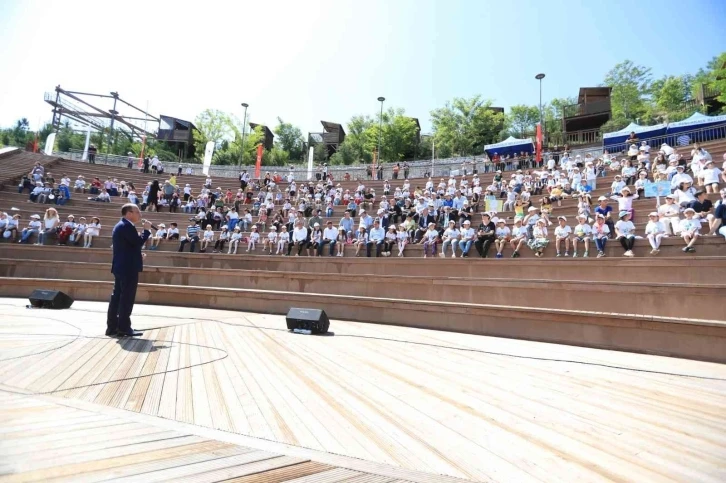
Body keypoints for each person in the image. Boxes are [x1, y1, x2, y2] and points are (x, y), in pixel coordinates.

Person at [107, 204, 151, 338]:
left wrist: (138, 256)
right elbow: (137, 242)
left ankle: (113, 327)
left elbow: (129, 247)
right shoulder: (126, 226)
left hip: (121, 266)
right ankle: (124, 328)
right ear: (129, 213)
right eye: (137, 212)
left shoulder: (121, 225)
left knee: (117, 297)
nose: (140, 215)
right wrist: (146, 231)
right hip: (128, 268)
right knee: (126, 298)